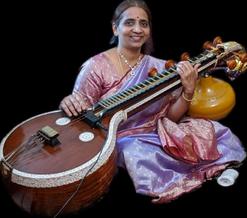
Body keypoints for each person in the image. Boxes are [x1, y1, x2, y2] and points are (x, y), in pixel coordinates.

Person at [59, 0, 246, 203]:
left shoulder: (159, 67)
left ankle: (217, 170)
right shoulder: (96, 66)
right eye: (129, 22)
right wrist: (69, 103)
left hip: (154, 130)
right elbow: (80, 115)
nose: (137, 29)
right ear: (115, 27)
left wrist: (189, 90)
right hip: (115, 137)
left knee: (209, 129)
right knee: (135, 152)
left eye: (144, 24)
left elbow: (171, 117)